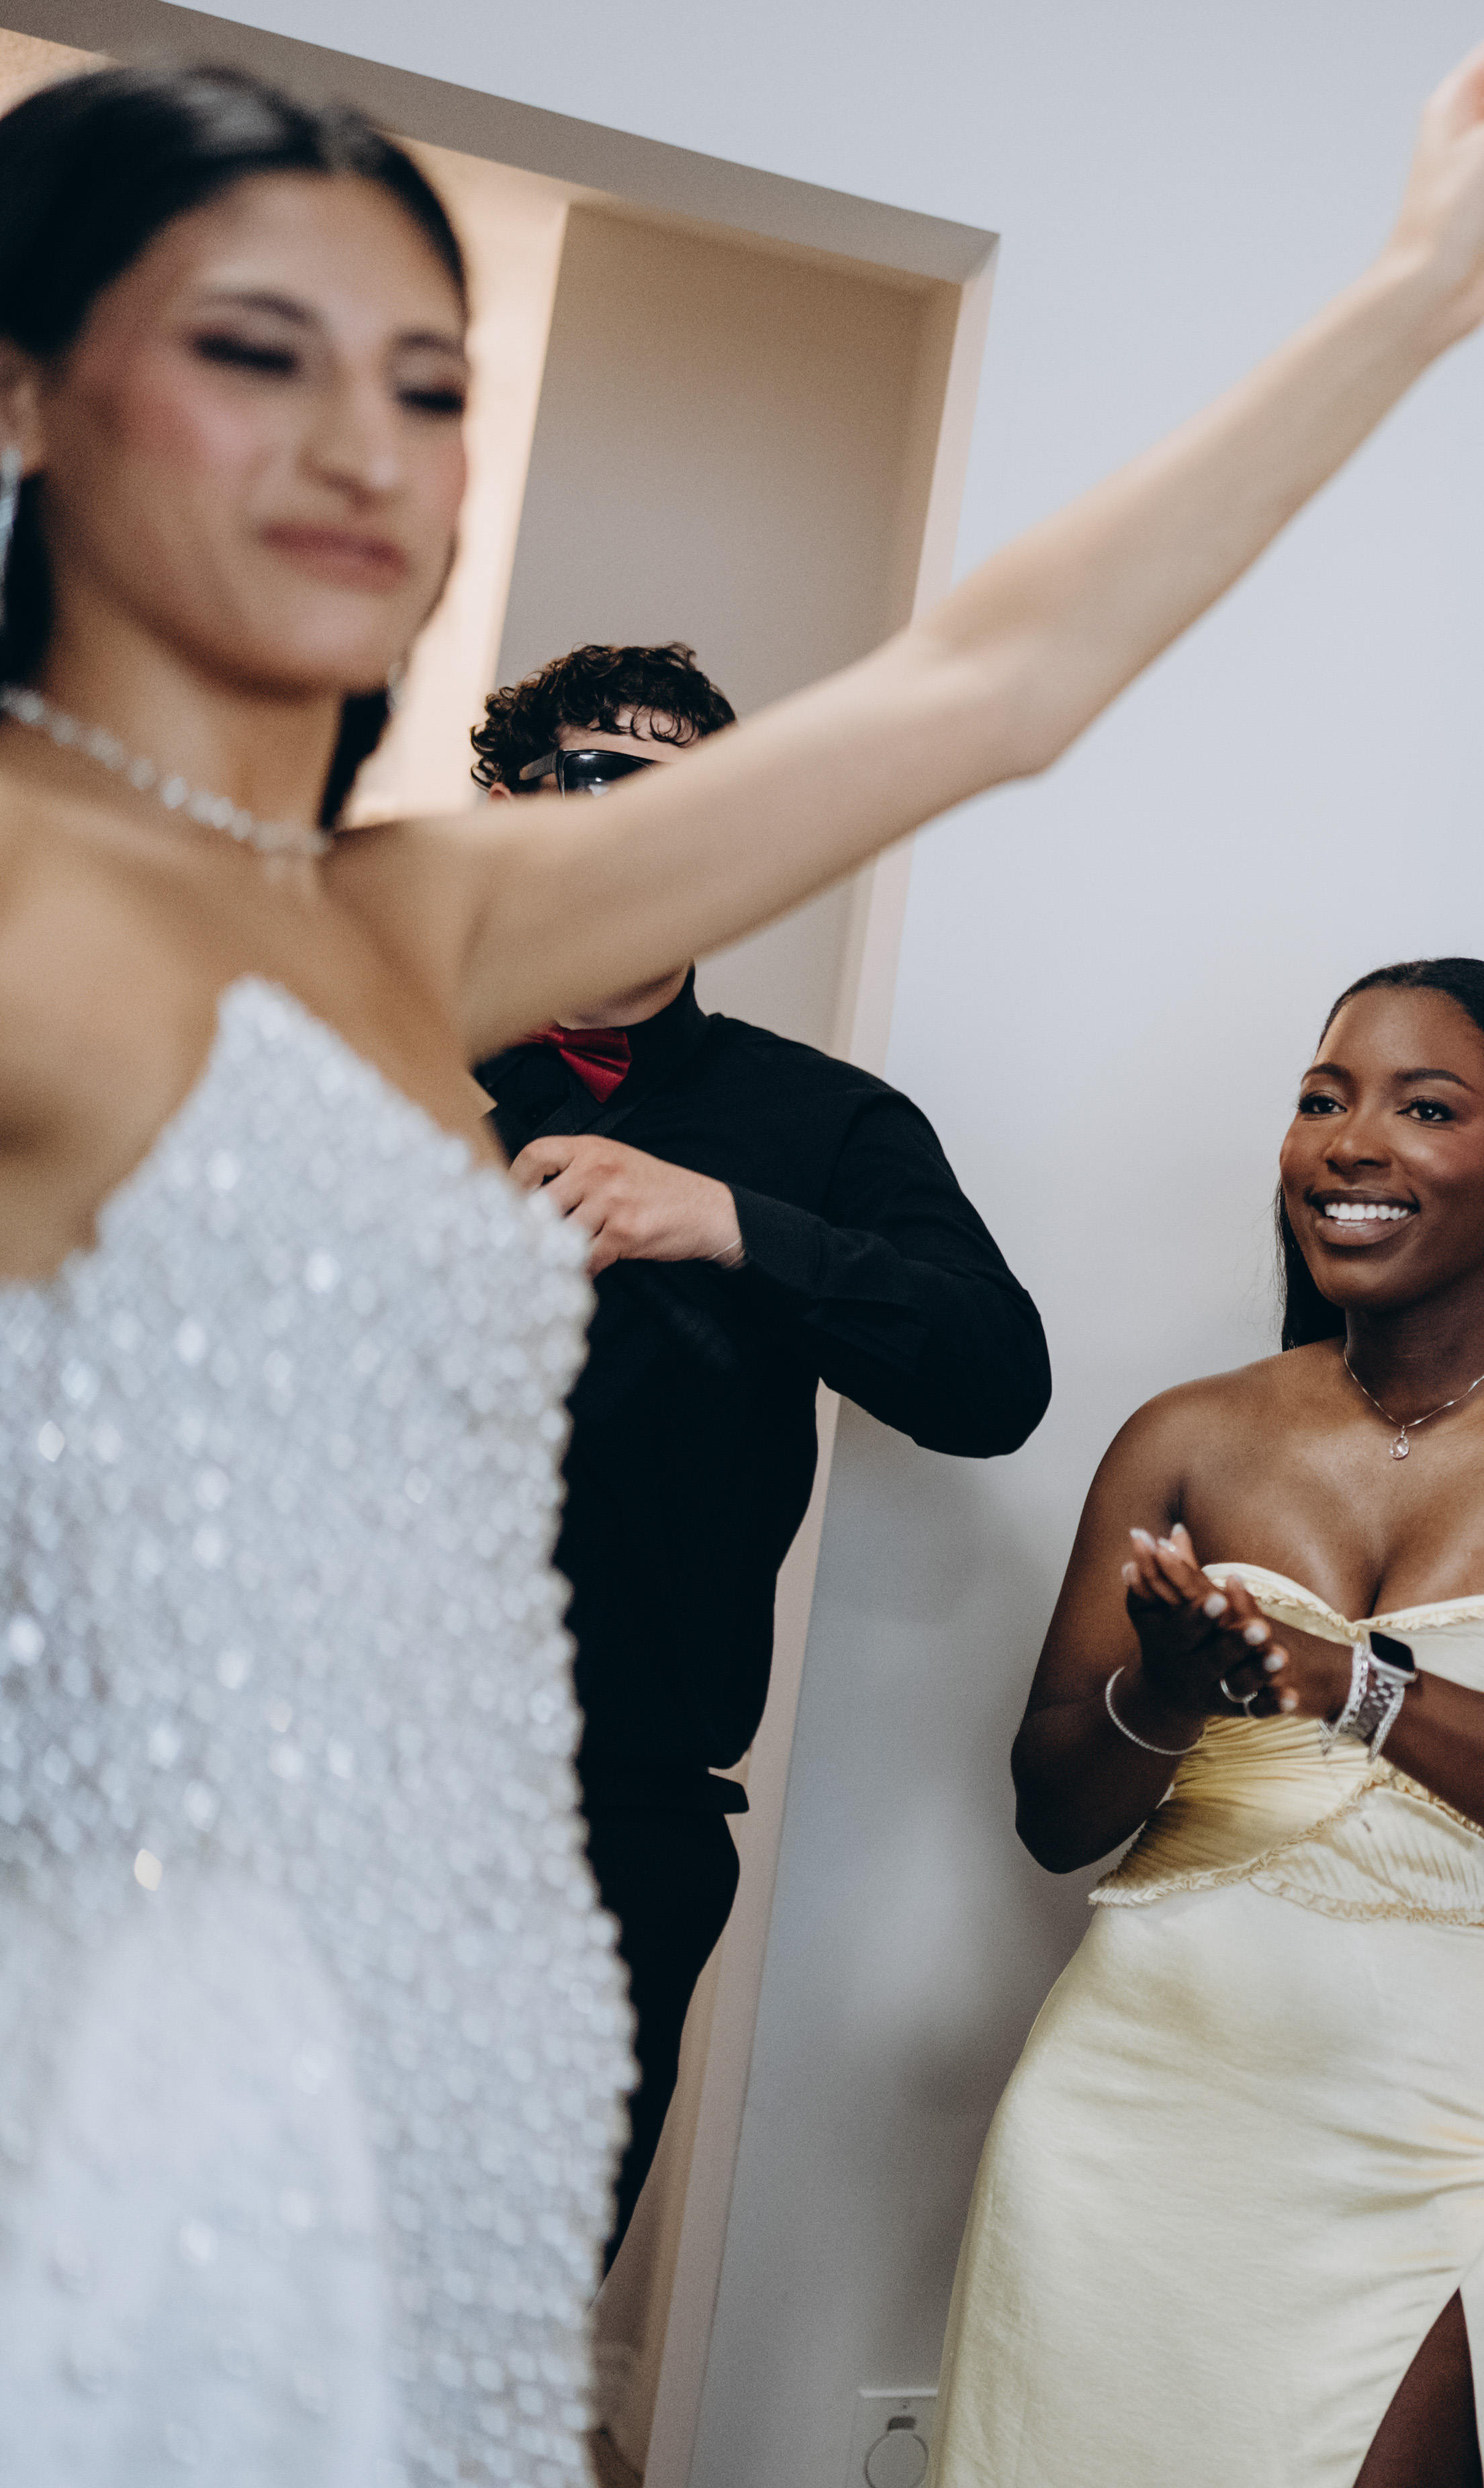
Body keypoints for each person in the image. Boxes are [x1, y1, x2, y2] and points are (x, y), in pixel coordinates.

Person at [0, 38, 1484, 2487]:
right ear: (32, 387)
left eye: (428, 384)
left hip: (476, 1960)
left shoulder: (413, 918)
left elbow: (994, 684)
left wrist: (1406, 298)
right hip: (108, 1974)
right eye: (256, 351)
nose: (363, 451)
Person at [931, 958, 1484, 2488]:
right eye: (1324, 1101)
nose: (1351, 1143)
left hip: (1429, 2133)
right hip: (1130, 2101)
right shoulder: (1188, 1434)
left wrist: (1355, 1687)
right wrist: (1169, 1694)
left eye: (1423, 1108)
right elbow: (1052, 1813)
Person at [469, 638, 1052, 2255]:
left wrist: (737, 1226)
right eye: (600, 779)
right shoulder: (349, 1057)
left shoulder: (827, 1129)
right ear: (511, 808)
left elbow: (998, 1380)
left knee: (508, 2308)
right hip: (292, 1790)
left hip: (618, 1828)